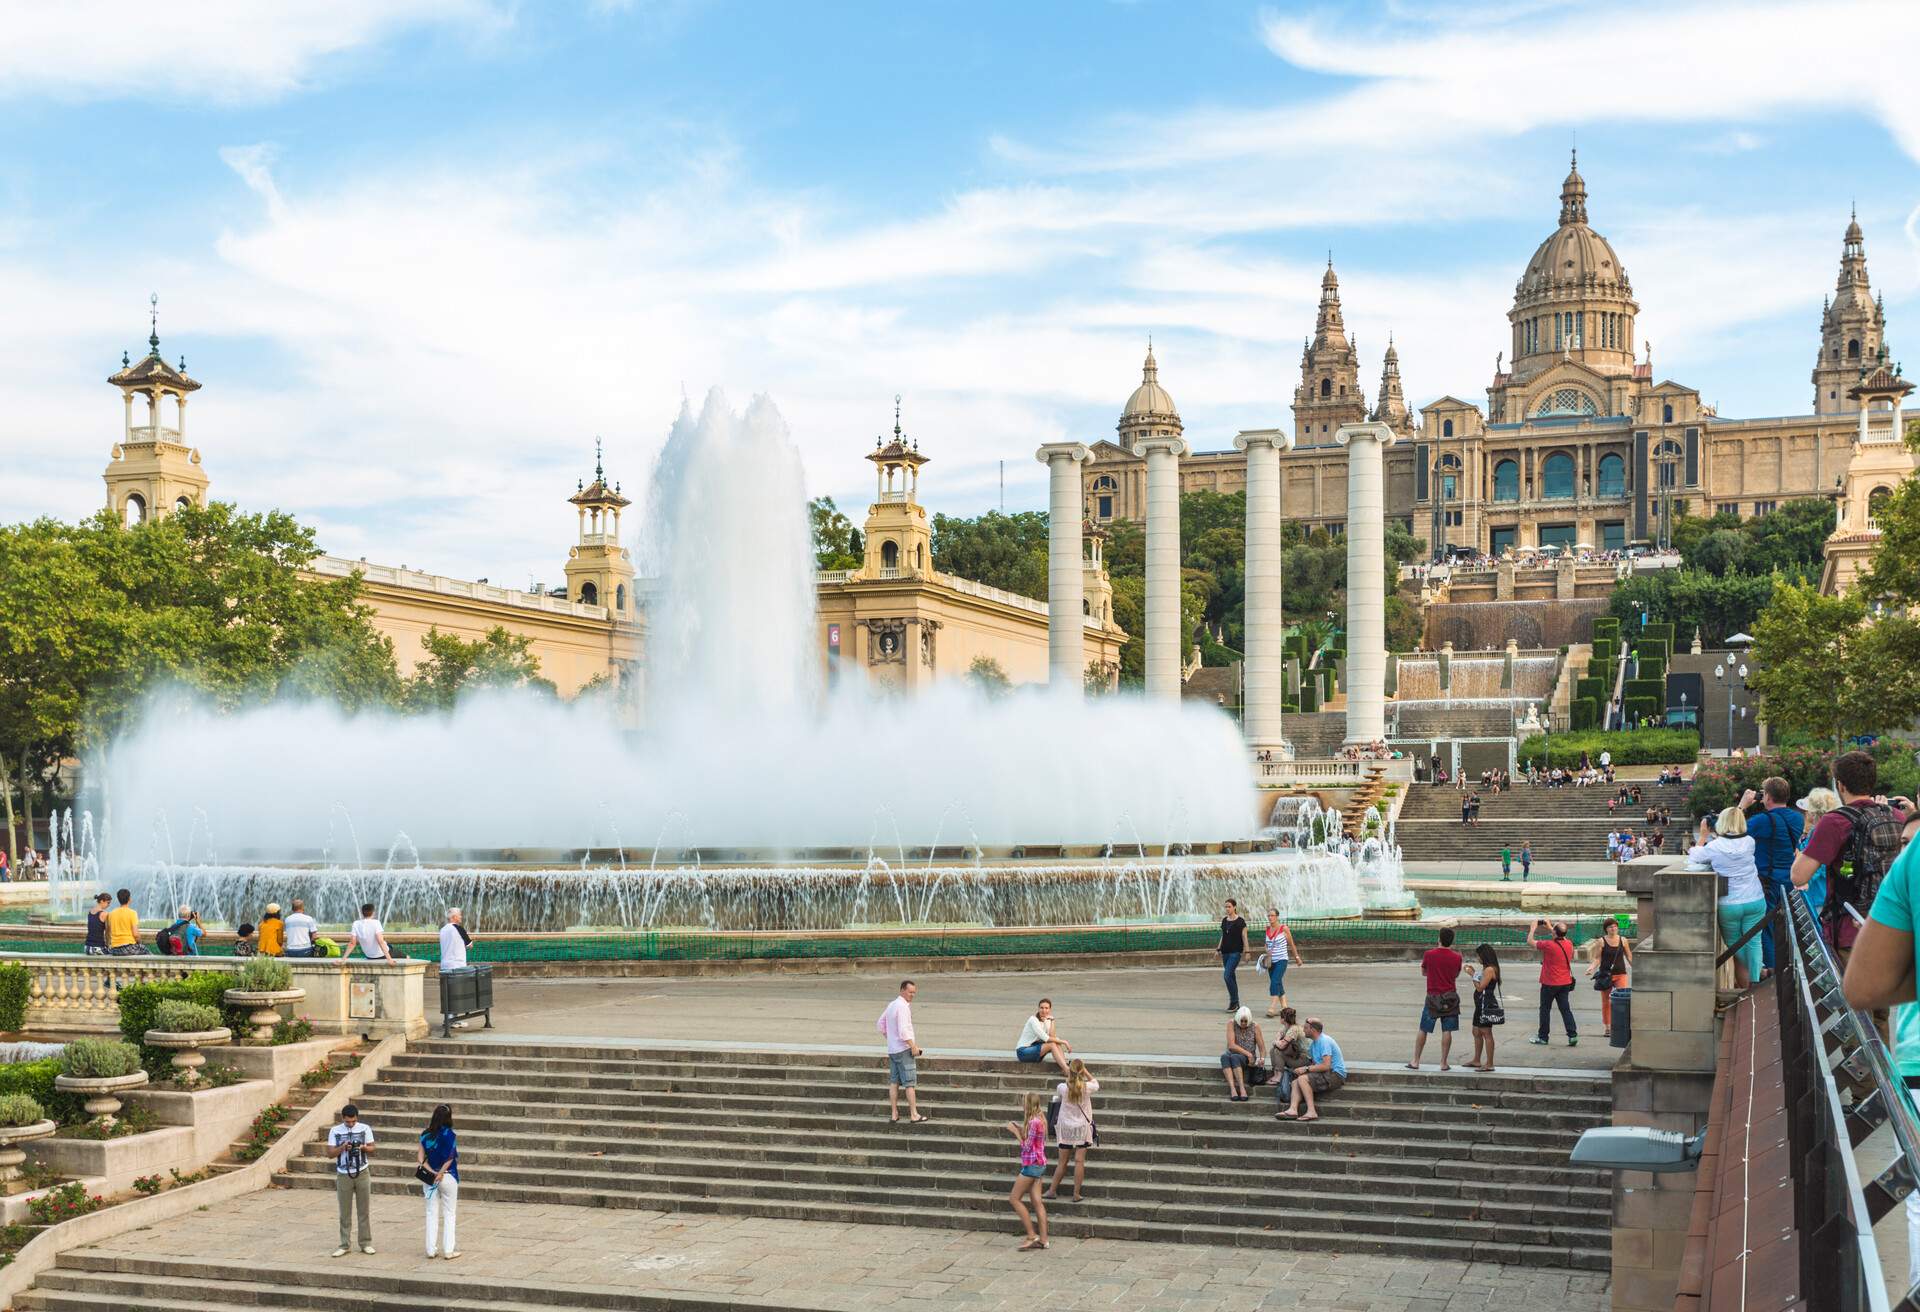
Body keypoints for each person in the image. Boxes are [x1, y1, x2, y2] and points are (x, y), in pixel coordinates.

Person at [1795, 751, 1906, 961]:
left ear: (1841, 785)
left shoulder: (1835, 821)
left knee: (1853, 993)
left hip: (1851, 929)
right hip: (1893, 926)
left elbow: (1798, 876)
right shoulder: (1897, 816)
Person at [1692, 806, 1764, 988]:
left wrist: (1703, 835)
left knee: (1734, 943)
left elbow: (1694, 858)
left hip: (1728, 903)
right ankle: (1756, 978)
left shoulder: (1715, 846)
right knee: (1754, 941)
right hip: (1754, 898)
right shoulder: (1750, 842)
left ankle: (1758, 972)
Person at [1743, 778, 1804, 973]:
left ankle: (1773, 973)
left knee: (1765, 929)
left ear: (1767, 796)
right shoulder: (1797, 818)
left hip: (1767, 882)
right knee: (1783, 928)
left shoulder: (1762, 821)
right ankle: (1785, 969)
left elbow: (1729, 830)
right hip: (1789, 879)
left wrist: (1742, 806)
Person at [1409, 926, 1462, 1071]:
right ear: (1451, 941)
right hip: (1450, 996)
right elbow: (1456, 975)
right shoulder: (1457, 957)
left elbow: (1424, 972)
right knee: (1447, 1030)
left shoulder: (1429, 954)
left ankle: (1415, 1061)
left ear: (1439, 939)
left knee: (1423, 1029)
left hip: (1432, 996)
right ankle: (1443, 1063)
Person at [1044, 1059, 1098, 1203]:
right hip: (1081, 1127)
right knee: (1079, 1161)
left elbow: (1064, 1089)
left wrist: (1069, 1073)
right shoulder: (1087, 1087)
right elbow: (1096, 1083)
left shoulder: (1062, 1087)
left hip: (1066, 1128)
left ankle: (1052, 1190)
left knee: (1062, 1162)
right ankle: (1076, 1194)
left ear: (1070, 1071)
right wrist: (1085, 1071)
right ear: (1082, 1071)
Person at [1003, 1091, 1050, 1251]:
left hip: (1032, 1165)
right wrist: (1021, 1128)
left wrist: (1015, 1132)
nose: (1022, 1103)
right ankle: (1044, 1239)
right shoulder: (1040, 1119)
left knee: (1014, 1199)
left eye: (1023, 1101)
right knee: (1037, 1202)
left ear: (1028, 1104)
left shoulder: (1033, 1121)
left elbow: (1027, 1146)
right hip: (1040, 1163)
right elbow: (1033, 1140)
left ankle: (1032, 1234)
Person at [1275, 1017, 1345, 1123]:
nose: (1303, 1030)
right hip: (1325, 1073)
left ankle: (1312, 1111)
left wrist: (1306, 1069)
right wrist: (1301, 1069)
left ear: (1313, 1029)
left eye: (1306, 1028)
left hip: (1335, 1075)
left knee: (1303, 1079)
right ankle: (1293, 1110)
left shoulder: (1324, 1041)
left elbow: (1326, 1065)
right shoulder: (1313, 1045)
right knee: (1295, 1082)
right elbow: (1315, 1064)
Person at [329, 1103, 376, 1257]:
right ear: (342, 1118)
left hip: (362, 1171)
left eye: (353, 1121)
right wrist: (342, 1147)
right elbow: (330, 1153)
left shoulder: (365, 1128)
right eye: (347, 1121)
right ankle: (344, 1244)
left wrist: (362, 1147)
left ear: (357, 1118)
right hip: (343, 1173)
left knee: (364, 1210)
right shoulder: (335, 1130)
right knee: (345, 1212)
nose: (350, 1124)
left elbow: (372, 1148)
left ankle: (365, 1243)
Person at [877, 980, 926, 1124]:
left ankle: (894, 1114)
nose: (912, 995)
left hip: (892, 1050)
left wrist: (890, 1038)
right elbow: (904, 1030)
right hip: (904, 1050)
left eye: (914, 993)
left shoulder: (891, 1005)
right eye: (910, 992)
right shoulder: (903, 1007)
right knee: (909, 1083)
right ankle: (914, 1114)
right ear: (902, 990)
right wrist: (913, 1046)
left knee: (894, 1082)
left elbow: (880, 1024)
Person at [416, 1103, 459, 1260]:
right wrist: (440, 1173)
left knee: (431, 1212)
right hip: (448, 1176)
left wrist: (432, 1171)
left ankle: (430, 1249)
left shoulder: (425, 1134)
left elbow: (420, 1158)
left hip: (429, 1177)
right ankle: (449, 1250)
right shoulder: (450, 1135)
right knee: (449, 1213)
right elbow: (450, 1157)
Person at [1525, 919, 1578, 1046]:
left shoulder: (1549, 945)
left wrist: (1533, 928)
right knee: (1565, 1009)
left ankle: (1543, 1037)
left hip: (1549, 983)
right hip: (1565, 982)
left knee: (1545, 1010)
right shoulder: (1569, 943)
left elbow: (1530, 942)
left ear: (1554, 932)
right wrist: (1551, 927)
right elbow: (1561, 936)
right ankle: (1572, 1035)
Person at [1796, 787, 1841, 922]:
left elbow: (1818, 864)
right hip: (1825, 894)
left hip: (1818, 896)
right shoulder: (1833, 830)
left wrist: (1802, 874)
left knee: (1820, 937)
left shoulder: (1818, 833)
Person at [1588, 920, 1632, 1037]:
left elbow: (1629, 956)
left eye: (1615, 926)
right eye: (1610, 927)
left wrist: (1637, 968)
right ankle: (1608, 1027)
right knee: (1606, 1002)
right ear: (1606, 929)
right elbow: (1597, 958)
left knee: (1622, 1001)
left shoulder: (1623, 940)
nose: (1613, 929)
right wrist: (1591, 968)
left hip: (1621, 974)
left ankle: (1622, 1026)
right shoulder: (1601, 941)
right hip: (1605, 975)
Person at [1467, 944, 1504, 1071]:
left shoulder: (1490, 970)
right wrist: (1475, 973)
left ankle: (1489, 1063)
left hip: (1486, 1004)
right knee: (1476, 1031)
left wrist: (1472, 974)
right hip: (1480, 1004)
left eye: (1478, 956)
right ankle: (1477, 1060)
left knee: (1486, 1033)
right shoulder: (1487, 969)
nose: (1478, 958)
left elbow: (1480, 987)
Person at [1259, 907, 1300, 1016]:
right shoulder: (1267, 929)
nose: (1270, 917)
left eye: (1272, 915)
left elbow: (1291, 944)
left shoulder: (1284, 928)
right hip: (1271, 961)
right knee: (1278, 983)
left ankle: (1272, 1007)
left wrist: (1297, 957)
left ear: (1277, 917)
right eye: (1269, 915)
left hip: (1282, 959)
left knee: (1274, 982)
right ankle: (1285, 1008)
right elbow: (1266, 944)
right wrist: (1266, 950)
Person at [1219, 1006, 1265, 1101]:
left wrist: (1262, 1058)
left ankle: (1242, 1088)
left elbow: (1262, 1047)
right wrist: (1248, 1053)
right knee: (1224, 1057)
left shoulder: (1255, 1026)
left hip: (1247, 1058)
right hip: (1239, 1053)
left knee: (1235, 1057)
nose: (1243, 1023)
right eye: (1241, 1021)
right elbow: (1231, 1045)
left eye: (1245, 1021)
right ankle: (1232, 1089)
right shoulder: (1231, 1023)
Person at [1015, 999, 1071, 1074]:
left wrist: (1052, 1021)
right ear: (1038, 1008)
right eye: (1041, 1008)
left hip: (1035, 1051)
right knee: (1052, 1044)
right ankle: (1067, 1069)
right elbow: (1046, 1038)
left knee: (1056, 1042)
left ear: (1050, 1009)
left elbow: (1052, 1036)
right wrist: (1065, 1042)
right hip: (1023, 1052)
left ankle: (1064, 1068)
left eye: (1046, 1008)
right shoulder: (1033, 1020)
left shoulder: (1047, 1020)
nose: (1044, 1010)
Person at [1215, 899, 1247, 1012]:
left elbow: (1244, 936)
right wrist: (1218, 949)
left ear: (1234, 907)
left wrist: (1247, 952)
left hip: (1235, 952)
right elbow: (1223, 936)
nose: (1227, 909)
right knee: (1231, 977)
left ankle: (1233, 1002)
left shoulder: (1240, 921)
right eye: (1226, 907)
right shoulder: (1224, 920)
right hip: (1225, 952)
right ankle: (1235, 1003)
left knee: (1227, 975)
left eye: (1229, 906)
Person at [1269, 1006, 1308, 1074]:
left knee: (1277, 1052)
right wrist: (1277, 1041)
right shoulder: (1286, 1027)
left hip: (1303, 1059)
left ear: (1283, 1019)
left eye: (1281, 1017)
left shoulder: (1294, 1029)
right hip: (1295, 1055)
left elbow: (1281, 1046)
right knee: (1273, 1050)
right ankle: (1276, 1073)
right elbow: (1278, 1037)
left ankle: (1279, 1075)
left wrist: (1275, 1042)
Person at [105, 888, 143, 956]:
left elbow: (108, 933)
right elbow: (136, 935)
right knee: (148, 953)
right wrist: (140, 942)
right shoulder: (132, 913)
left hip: (114, 949)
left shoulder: (111, 914)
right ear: (129, 899)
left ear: (118, 899)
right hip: (128, 947)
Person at [83, 892, 110, 956]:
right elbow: (107, 933)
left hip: (87, 947)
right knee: (115, 952)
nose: (109, 905)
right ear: (101, 901)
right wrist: (108, 945)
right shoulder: (104, 914)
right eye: (108, 903)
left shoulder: (90, 911)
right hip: (97, 948)